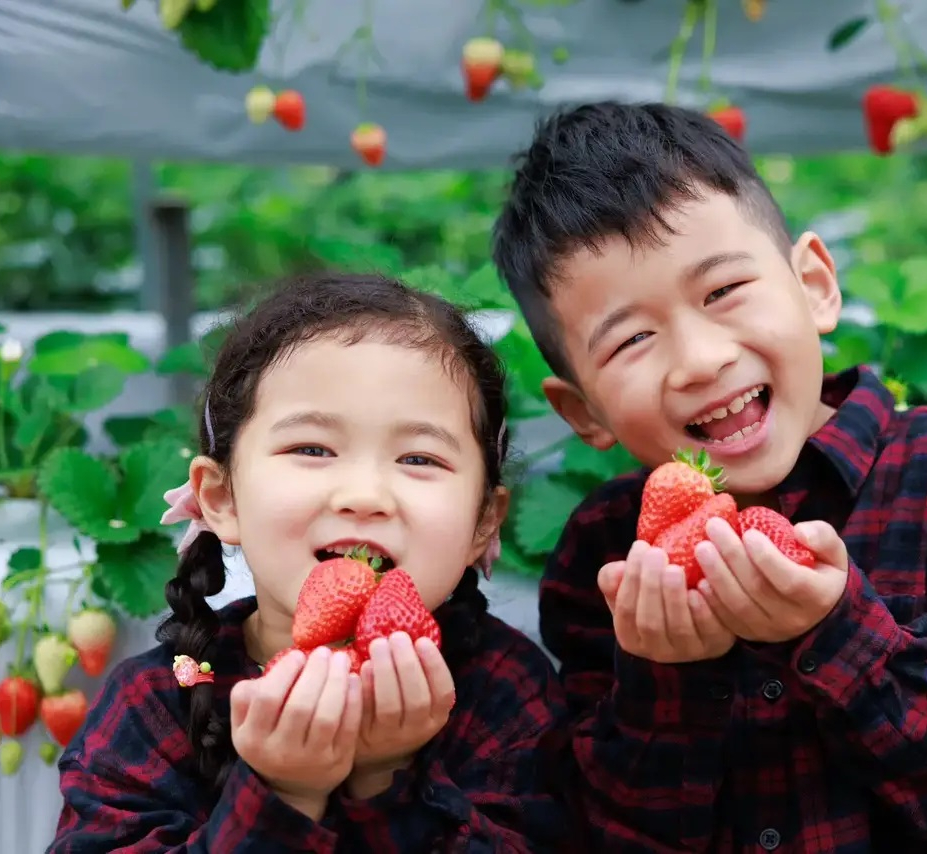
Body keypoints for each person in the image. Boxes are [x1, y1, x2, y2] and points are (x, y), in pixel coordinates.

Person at [491, 100, 927, 852]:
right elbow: (602, 833)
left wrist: (843, 636)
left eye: (722, 292)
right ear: (582, 410)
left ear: (814, 284)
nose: (701, 360)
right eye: (633, 339)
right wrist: (664, 685)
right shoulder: (607, 554)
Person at [49, 273, 567, 853]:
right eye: (312, 449)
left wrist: (385, 777)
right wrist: (282, 795)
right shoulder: (160, 699)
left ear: (484, 521)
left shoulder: (502, 689)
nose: (365, 495)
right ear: (221, 498)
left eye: (419, 458)